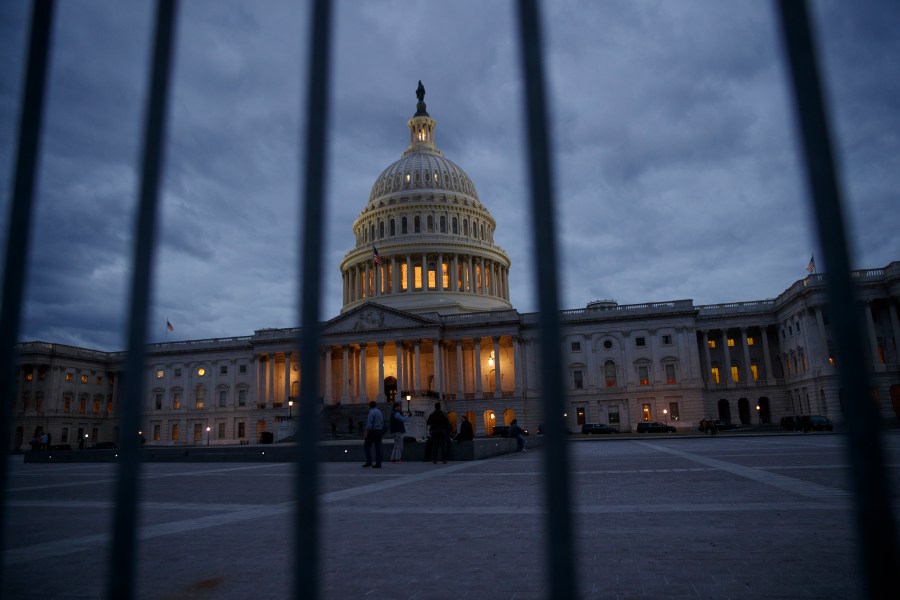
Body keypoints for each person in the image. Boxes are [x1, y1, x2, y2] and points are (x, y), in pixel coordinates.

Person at [362, 400, 384, 468]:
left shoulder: (371, 412)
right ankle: (378, 463)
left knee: (367, 446)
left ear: (369, 406)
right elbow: (382, 421)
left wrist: (366, 432)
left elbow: (369, 425)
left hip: (372, 431)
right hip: (379, 431)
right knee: (378, 448)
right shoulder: (379, 411)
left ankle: (369, 462)